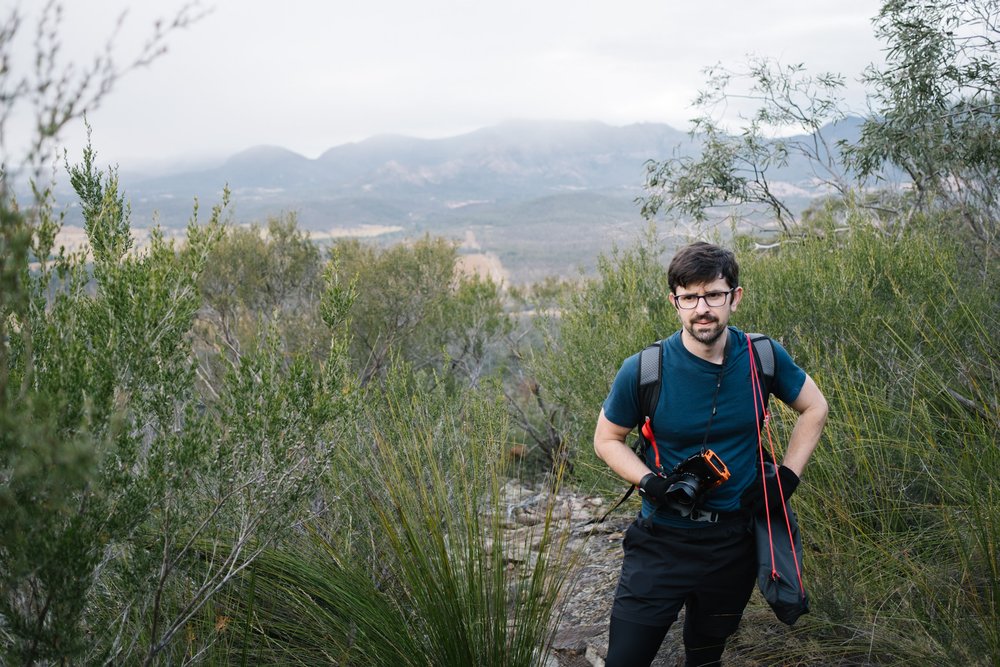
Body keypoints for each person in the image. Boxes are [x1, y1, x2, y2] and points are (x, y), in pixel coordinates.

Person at [593, 241, 828, 667]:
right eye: (689, 297)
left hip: (732, 544)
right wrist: (650, 481)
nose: (702, 308)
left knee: (705, 656)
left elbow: (815, 407)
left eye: (713, 295)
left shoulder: (763, 357)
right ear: (674, 302)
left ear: (735, 297)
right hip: (661, 540)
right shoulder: (647, 368)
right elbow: (606, 438)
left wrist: (787, 479)